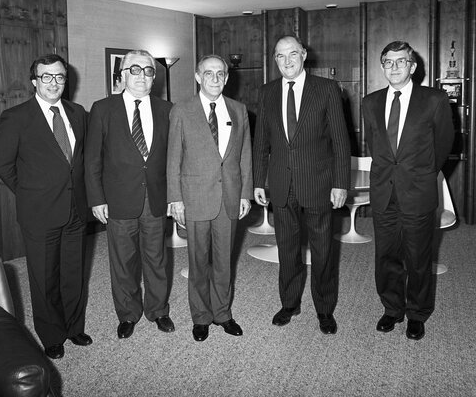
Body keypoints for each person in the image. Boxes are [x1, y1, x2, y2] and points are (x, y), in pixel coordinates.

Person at [0, 54, 91, 359]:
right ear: (34, 81)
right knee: (44, 276)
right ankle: (51, 335)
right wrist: (29, 193)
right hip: (39, 212)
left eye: (59, 76)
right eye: (46, 77)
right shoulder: (17, 116)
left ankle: (74, 327)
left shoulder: (78, 113)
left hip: (76, 209)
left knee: (73, 273)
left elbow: (81, 162)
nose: (54, 83)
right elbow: (2, 164)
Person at [253, 35, 350, 334]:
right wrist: (258, 181)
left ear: (304, 54)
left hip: (318, 183)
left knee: (322, 252)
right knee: (287, 249)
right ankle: (290, 304)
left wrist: (340, 183)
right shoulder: (267, 92)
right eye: (280, 56)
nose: (287, 61)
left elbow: (340, 141)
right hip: (281, 185)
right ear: (275, 60)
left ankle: (324, 309)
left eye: (292, 54)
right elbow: (261, 143)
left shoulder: (326, 89)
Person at [362, 40, 454, 341]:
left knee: (418, 258)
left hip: (418, 192)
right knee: (386, 255)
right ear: (382, 66)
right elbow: (375, 147)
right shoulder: (370, 102)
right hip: (383, 193)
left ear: (413, 66)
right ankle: (392, 309)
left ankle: (417, 313)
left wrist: (423, 173)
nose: (394, 67)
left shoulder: (435, 100)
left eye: (401, 61)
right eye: (388, 61)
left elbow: (444, 145)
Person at [85, 50, 174, 339]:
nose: (142, 76)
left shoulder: (167, 109)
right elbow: (92, 159)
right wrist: (97, 198)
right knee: (123, 261)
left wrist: (175, 196)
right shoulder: (102, 108)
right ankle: (127, 314)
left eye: (148, 71)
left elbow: (173, 159)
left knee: (157, 259)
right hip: (118, 199)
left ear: (154, 77)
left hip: (156, 199)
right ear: (122, 75)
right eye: (134, 70)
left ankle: (158, 310)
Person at [167, 55, 252, 342]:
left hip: (229, 196)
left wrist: (245, 194)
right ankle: (201, 317)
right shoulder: (181, 110)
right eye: (208, 73)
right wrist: (175, 198)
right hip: (195, 198)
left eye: (220, 74)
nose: (215, 79)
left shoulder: (239, 110)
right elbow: (173, 159)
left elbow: (244, 157)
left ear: (227, 78)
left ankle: (223, 313)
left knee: (224, 261)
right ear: (197, 76)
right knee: (198, 261)